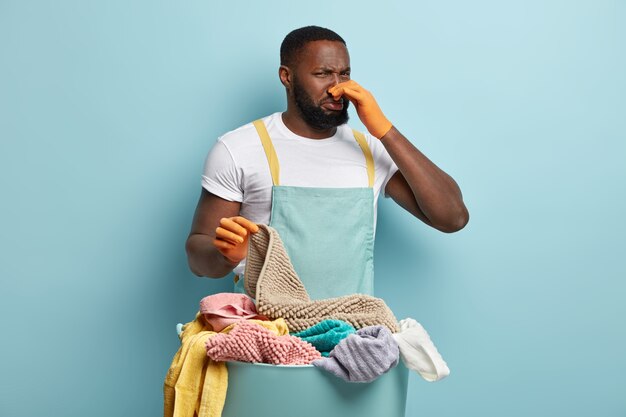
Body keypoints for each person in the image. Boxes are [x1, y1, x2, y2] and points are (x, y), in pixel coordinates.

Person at [186, 26, 469, 299]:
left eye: (344, 74)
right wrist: (224, 255)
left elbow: (452, 218)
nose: (337, 89)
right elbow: (197, 256)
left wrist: (384, 130)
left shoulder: (368, 149)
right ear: (287, 76)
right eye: (322, 74)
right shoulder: (239, 148)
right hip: (267, 336)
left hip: (350, 338)